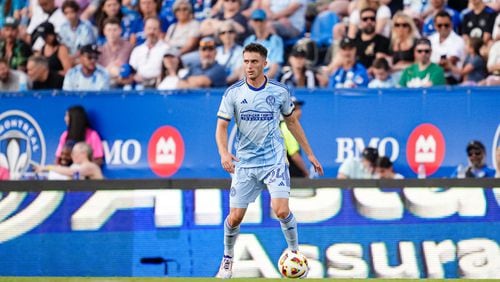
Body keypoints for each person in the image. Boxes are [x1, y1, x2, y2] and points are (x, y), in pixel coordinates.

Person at [214, 42, 323, 278]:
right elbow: (221, 127)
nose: (250, 66)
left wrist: (311, 153)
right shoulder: (233, 93)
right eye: (246, 61)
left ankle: (294, 252)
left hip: (274, 162)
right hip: (245, 164)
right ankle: (227, 259)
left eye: (254, 61)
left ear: (265, 64)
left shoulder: (278, 92)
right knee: (235, 218)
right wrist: (224, 153)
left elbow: (292, 122)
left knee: (281, 210)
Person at [243, 9, 284, 79]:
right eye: (256, 21)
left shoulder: (276, 40)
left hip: (269, 81)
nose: (258, 24)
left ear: (265, 22)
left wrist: (261, 81)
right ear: (252, 22)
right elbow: (244, 65)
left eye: (260, 20)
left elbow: (275, 67)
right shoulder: (248, 40)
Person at [129, 16, 168, 88]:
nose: (151, 32)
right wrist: (134, 76)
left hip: (158, 84)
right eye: (149, 28)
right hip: (139, 85)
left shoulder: (166, 49)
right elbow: (132, 69)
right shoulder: (137, 50)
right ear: (144, 30)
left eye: (155, 29)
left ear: (159, 31)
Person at [429, 10, 465, 85]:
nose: (443, 28)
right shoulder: (430, 39)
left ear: (451, 24)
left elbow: (448, 63)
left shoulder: (458, 41)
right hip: (430, 75)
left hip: (450, 78)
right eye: (440, 25)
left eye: (446, 25)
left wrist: (428, 65)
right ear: (435, 26)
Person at [36, 142, 104, 179]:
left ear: (83, 154)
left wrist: (48, 167)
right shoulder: (78, 167)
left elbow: (72, 172)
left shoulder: (90, 166)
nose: (72, 156)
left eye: (74, 153)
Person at [97, 17, 134, 88]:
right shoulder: (99, 50)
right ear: (104, 31)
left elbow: (133, 69)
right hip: (106, 84)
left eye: (115, 30)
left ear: (120, 30)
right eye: (109, 30)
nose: (112, 33)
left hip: (126, 84)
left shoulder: (129, 47)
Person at [280, 97, 310, 177]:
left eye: (299, 109)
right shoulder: (287, 128)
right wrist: (306, 172)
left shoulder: (282, 126)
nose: (300, 112)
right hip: (293, 177)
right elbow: (294, 155)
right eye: (295, 109)